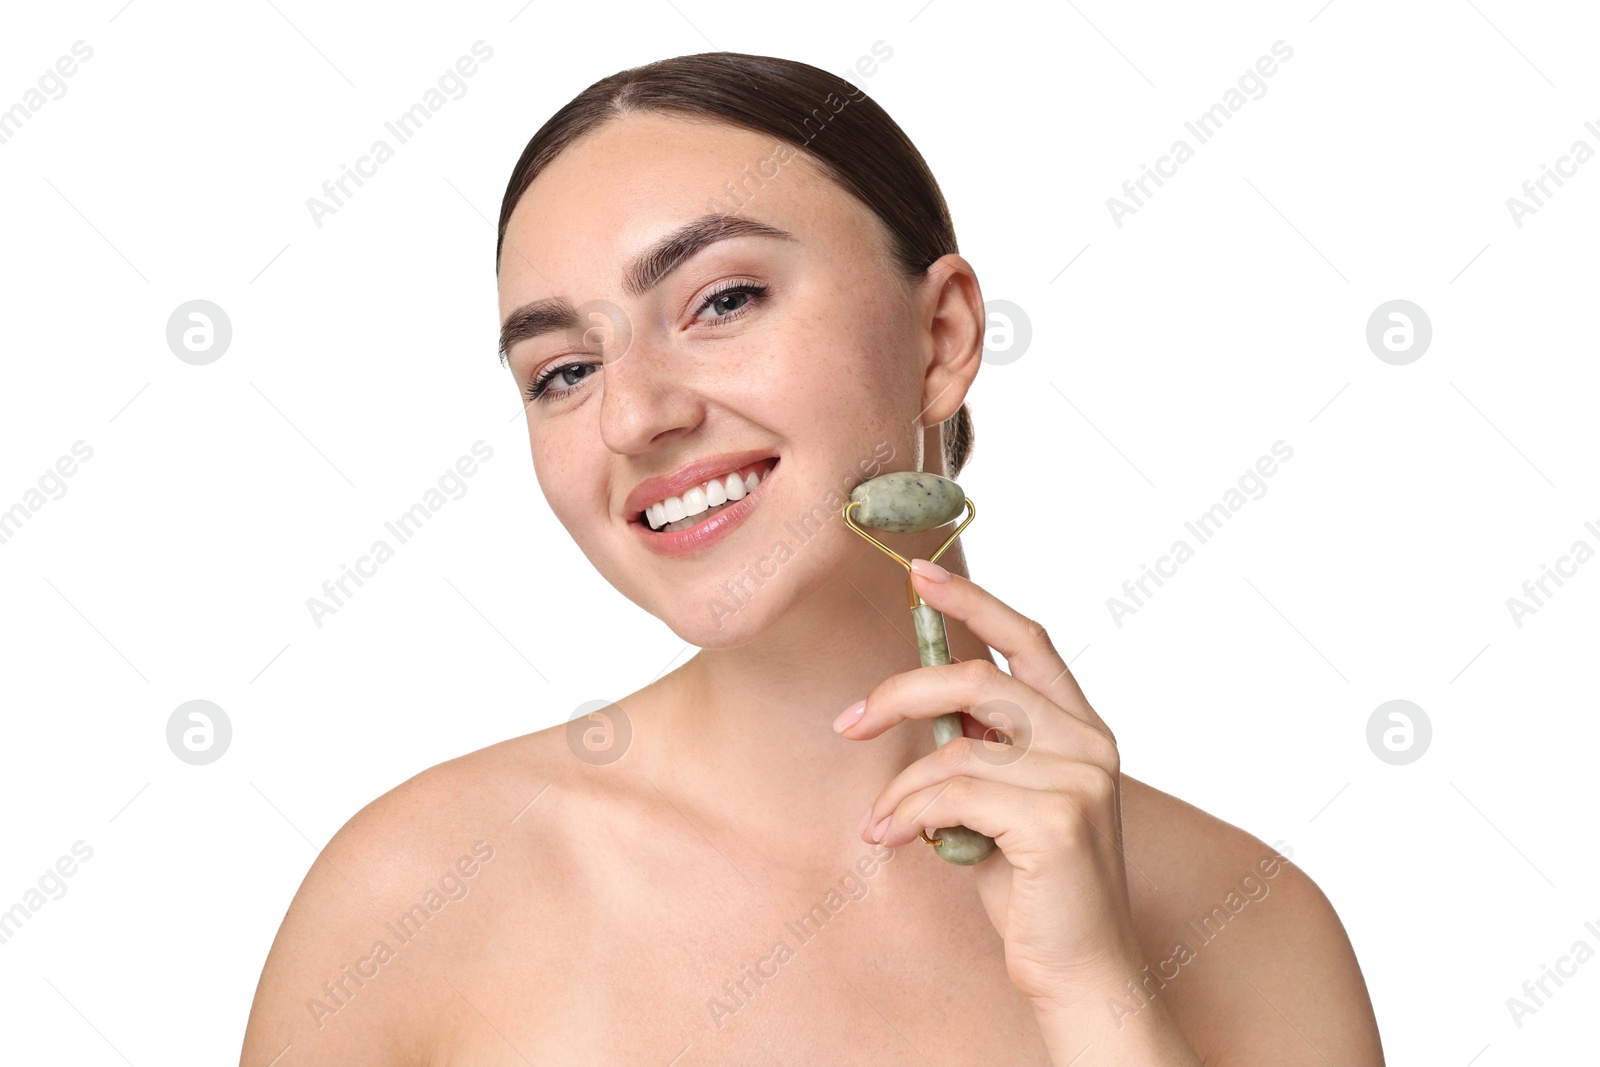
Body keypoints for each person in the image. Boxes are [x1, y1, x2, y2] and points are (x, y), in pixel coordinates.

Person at [240, 52, 1385, 1065]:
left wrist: (1092, 991)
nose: (632, 414)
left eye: (722, 299)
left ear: (941, 338)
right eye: (562, 371)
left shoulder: (1252, 925)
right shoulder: (410, 897)